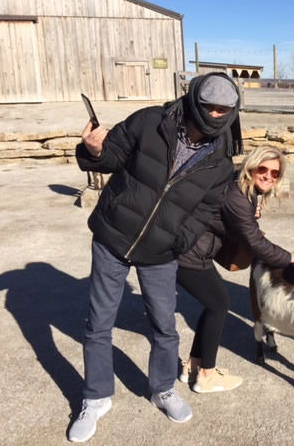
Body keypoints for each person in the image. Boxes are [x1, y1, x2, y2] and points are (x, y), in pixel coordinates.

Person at [69, 72, 242, 443]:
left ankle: (163, 388)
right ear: (194, 99)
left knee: (165, 325)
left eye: (223, 109)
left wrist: (175, 242)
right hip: (112, 237)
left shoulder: (221, 164)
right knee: (99, 322)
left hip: (161, 253)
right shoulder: (151, 121)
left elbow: (205, 212)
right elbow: (110, 156)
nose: (214, 114)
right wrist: (94, 151)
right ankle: (96, 397)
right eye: (209, 106)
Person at [177, 145, 294, 393]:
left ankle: (193, 366)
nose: (268, 176)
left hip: (194, 250)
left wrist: (252, 215)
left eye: (275, 174)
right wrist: (292, 257)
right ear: (251, 167)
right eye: (263, 169)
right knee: (219, 304)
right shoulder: (237, 196)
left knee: (213, 304)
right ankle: (206, 376)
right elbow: (256, 244)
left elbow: (239, 225)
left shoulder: (242, 191)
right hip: (188, 252)